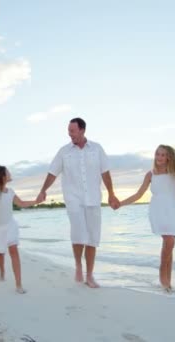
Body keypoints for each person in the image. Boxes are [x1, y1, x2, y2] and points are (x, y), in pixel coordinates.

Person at [36, 117, 119, 288]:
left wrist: (111, 194)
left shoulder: (97, 149)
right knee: (79, 233)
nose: (70, 134)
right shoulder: (64, 151)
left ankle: (89, 275)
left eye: (72, 131)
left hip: (94, 198)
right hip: (73, 199)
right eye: (69, 131)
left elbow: (105, 173)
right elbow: (52, 173)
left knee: (92, 237)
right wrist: (43, 190)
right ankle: (78, 266)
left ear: (82, 130)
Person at [119, 144, 175, 292]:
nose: (159, 157)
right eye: (157, 154)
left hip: (173, 209)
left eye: (163, 154)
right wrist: (121, 204)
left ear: (169, 157)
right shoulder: (150, 175)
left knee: (170, 245)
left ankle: (167, 281)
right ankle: (163, 275)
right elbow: (138, 195)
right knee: (169, 241)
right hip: (158, 210)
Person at [0, 165, 42, 294]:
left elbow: (21, 203)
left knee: (14, 251)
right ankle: (2, 272)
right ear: (2, 176)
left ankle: (18, 284)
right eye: (8, 172)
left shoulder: (10, 192)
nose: (10, 173)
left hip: (10, 226)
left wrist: (36, 201)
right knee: (0, 252)